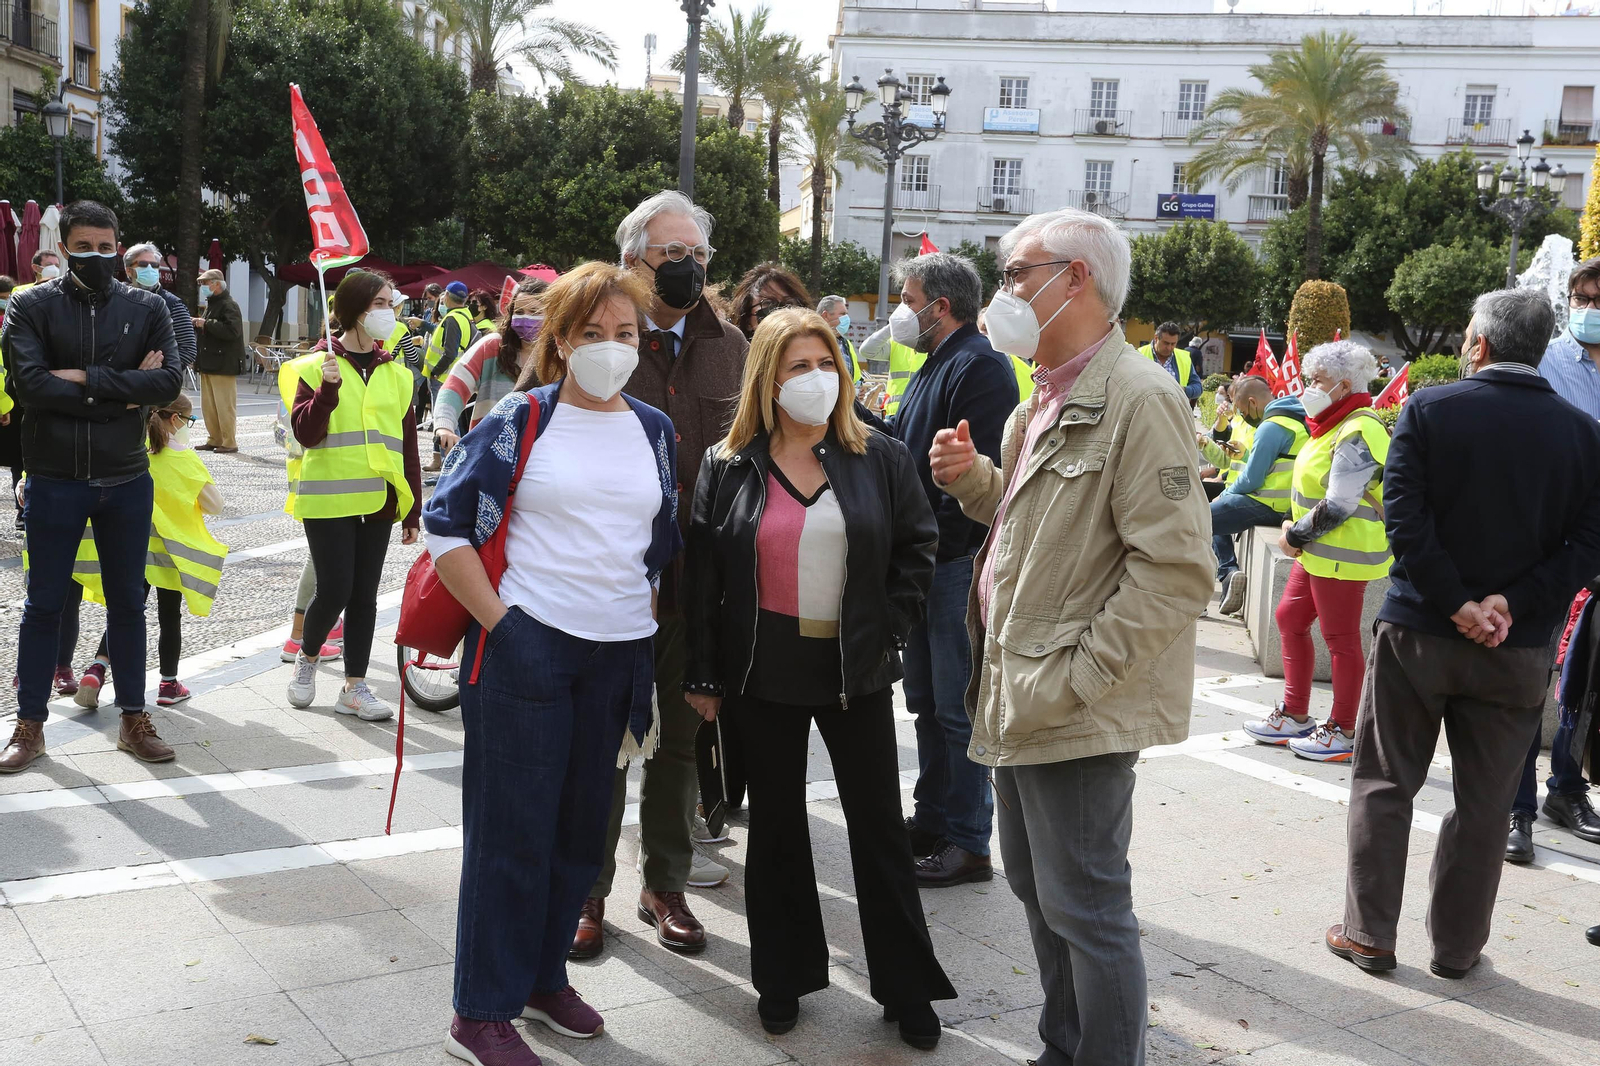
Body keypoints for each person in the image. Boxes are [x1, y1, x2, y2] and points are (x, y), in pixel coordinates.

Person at [927, 206, 1213, 1066]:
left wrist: (1080, 680)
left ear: (1074, 279)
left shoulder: (1141, 397)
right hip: (1018, 690)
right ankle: (1065, 1047)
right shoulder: (1038, 403)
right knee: (1038, 892)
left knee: (1087, 908)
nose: (1001, 292)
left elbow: (1177, 571)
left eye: (1017, 273)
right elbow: (1033, 526)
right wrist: (974, 482)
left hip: (1070, 704)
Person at [425, 262, 680, 1066]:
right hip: (527, 649)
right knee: (511, 833)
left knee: (578, 834)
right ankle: (480, 1010)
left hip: (618, 656)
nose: (612, 348)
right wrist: (506, 626)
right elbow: (446, 526)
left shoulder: (654, 428)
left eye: (627, 335)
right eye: (594, 334)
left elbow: (658, 539)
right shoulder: (518, 418)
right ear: (562, 340)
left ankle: (541, 980)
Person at [683, 308, 953, 1044]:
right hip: (759, 667)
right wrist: (703, 674)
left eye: (825, 362)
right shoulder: (727, 463)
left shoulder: (881, 456)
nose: (815, 379)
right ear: (767, 379)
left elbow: (916, 549)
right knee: (774, 831)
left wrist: (888, 631)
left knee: (878, 834)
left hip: (853, 667)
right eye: (797, 366)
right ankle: (782, 977)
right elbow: (704, 579)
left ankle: (906, 990)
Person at [1328, 287, 1600, 979]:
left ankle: (1369, 936)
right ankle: (1455, 950)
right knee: (1485, 808)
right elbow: (1586, 546)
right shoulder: (1580, 432)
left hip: (1420, 632)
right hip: (1517, 647)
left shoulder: (1430, 407)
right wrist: (1508, 604)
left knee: (1385, 783)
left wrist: (1455, 603)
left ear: (1477, 343)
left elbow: (1404, 517)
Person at [574, 189, 749, 961]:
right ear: (632, 262)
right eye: (670, 254)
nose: (687, 268)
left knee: (681, 742)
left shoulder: (732, 345)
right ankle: (585, 892)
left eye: (698, 255)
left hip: (694, 585)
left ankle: (665, 885)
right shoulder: (592, 335)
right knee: (604, 745)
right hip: (606, 588)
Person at [0, 200, 182, 775]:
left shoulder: (146, 306)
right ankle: (30, 725)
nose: (96, 257)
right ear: (65, 247)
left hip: (127, 477)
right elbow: (28, 384)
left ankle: (134, 718)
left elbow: (169, 380)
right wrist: (124, 390)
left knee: (129, 604)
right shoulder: (30, 305)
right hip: (54, 479)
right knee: (42, 607)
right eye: (84, 246)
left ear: (118, 247)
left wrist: (80, 378)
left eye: (107, 248)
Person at [860, 252, 1019, 887]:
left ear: (940, 307)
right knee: (926, 702)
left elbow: (970, 473)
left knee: (956, 709)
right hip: (925, 560)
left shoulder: (979, 366)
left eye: (907, 298)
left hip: (952, 560)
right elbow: (905, 446)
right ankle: (932, 818)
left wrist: (937, 544)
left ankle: (968, 840)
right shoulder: (935, 364)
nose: (901, 311)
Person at [1243, 341, 1390, 762]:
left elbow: (1341, 503)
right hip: (1323, 551)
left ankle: (1344, 729)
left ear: (1344, 386)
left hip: (1340, 553)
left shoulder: (1359, 428)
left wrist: (1295, 536)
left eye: (1318, 381)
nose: (1309, 388)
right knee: (1290, 617)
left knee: (1341, 639)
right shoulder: (1334, 422)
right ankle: (1295, 713)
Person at [285, 270, 421, 722]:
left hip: (380, 499)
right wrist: (326, 392)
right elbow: (305, 434)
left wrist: (412, 507)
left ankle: (355, 686)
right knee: (336, 587)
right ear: (354, 310)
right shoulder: (314, 366)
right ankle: (307, 658)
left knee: (365, 595)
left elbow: (407, 445)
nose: (388, 312)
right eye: (379, 304)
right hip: (329, 499)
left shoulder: (397, 374)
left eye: (390, 303)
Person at [1509, 256, 1600, 860]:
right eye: (1582, 296)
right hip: (1544, 543)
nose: (1589, 308)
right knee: (1527, 671)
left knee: (1586, 676)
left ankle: (1566, 787)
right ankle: (1515, 810)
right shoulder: (1545, 360)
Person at [73, 394, 226, 708]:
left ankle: (97, 668)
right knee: (169, 618)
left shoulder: (131, 451)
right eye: (190, 420)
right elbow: (216, 505)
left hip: (131, 547)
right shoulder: (183, 458)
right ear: (175, 420)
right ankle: (169, 684)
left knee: (124, 614)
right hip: (172, 555)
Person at [1210, 375, 1308, 615]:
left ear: (1253, 402)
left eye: (1243, 410)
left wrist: (1225, 495)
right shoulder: (1294, 419)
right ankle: (1228, 574)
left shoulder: (1271, 427)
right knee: (1212, 517)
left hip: (1267, 503)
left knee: (1198, 518)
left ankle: (1225, 574)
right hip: (1286, 505)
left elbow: (1252, 478)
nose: (1243, 417)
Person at [435, 282, 547, 446]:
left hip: (540, 455)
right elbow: (455, 385)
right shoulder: (493, 346)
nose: (526, 318)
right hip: (488, 452)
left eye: (534, 312)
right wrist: (444, 427)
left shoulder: (561, 356)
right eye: (519, 312)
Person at [421, 281, 477, 470]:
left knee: (446, 423)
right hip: (455, 377)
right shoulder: (466, 317)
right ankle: (443, 462)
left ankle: (451, 466)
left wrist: (435, 372)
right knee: (448, 423)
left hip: (444, 378)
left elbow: (450, 353)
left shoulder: (453, 319)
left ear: (445, 296)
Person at [193, 268, 245, 453]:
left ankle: (229, 441)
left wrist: (205, 323)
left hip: (223, 364)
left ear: (216, 284)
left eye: (205, 283)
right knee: (209, 406)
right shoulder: (213, 304)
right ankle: (214, 438)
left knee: (224, 406)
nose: (203, 287)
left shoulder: (229, 304)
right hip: (210, 362)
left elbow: (233, 331)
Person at [124, 244, 197, 370]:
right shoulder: (119, 298)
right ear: (128, 270)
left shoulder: (173, 304)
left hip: (156, 383)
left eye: (154, 265)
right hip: (119, 379)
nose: (149, 269)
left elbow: (188, 349)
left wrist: (161, 370)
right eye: (143, 264)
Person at [730, 262, 811, 341]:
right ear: (748, 321)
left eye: (788, 303)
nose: (779, 310)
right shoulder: (733, 352)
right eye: (768, 302)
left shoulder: (816, 352)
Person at [1138, 321, 1202, 402]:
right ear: (1156, 338)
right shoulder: (1139, 355)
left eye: (1173, 344)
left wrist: (1183, 390)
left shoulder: (1184, 358)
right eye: (1166, 343)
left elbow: (1198, 387)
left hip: (1174, 412)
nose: (1169, 348)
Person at [816, 294, 863, 384]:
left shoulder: (846, 344)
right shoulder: (811, 342)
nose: (847, 318)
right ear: (825, 316)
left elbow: (856, 377)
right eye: (842, 314)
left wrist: (859, 387)